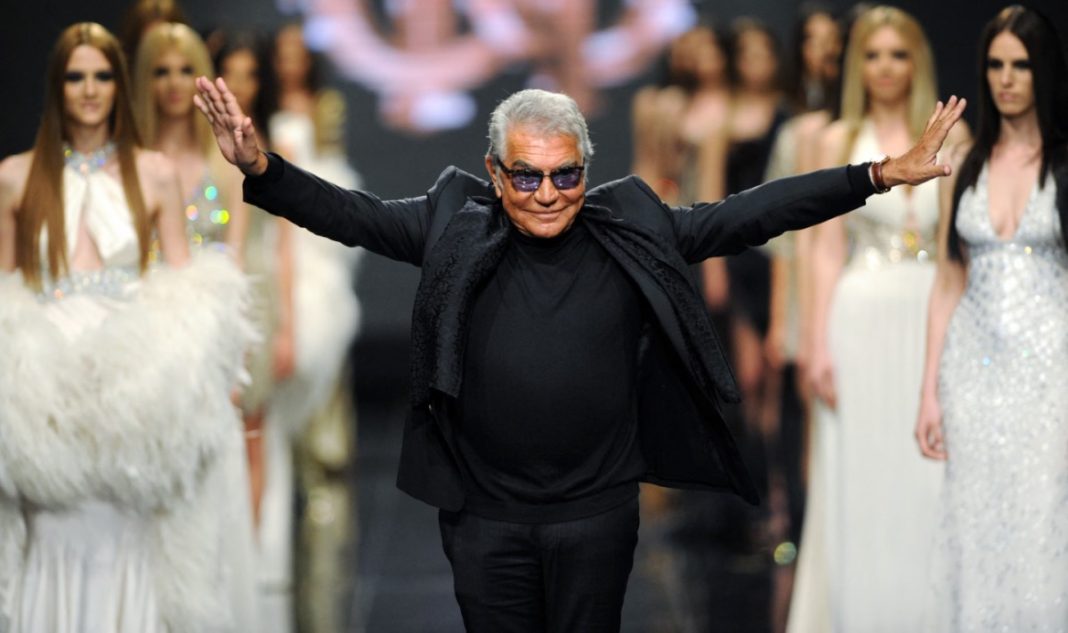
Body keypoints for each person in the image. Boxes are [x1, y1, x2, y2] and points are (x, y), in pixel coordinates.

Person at [194, 73, 965, 631]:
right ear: (495, 174)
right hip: (485, 519)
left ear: (586, 172)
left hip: (595, 515)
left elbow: (751, 214)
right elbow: (349, 214)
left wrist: (875, 176)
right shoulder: (452, 222)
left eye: (565, 174)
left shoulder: (626, 227)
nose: (546, 192)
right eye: (525, 175)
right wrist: (263, 171)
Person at [0, 22, 251, 633]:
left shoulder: (155, 172)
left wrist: (189, 382)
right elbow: (5, 291)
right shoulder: (14, 176)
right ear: (57, 85)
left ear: (118, 84)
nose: (90, 89)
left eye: (103, 75)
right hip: (44, 385)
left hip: (132, 382)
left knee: (130, 517)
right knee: (53, 515)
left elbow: (187, 290)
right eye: (76, 76)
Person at [799, 6, 971, 632]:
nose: (886, 67)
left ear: (917, 61)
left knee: (925, 475)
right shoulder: (836, 140)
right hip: (858, 320)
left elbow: (959, 255)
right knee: (860, 474)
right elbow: (819, 251)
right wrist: (814, 343)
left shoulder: (958, 138)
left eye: (899, 54)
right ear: (858, 65)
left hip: (929, 320)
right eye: (873, 54)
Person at [915, 5, 1068, 630]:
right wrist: (928, 391)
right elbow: (949, 278)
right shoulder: (966, 163)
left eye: (1021, 65)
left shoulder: (1064, 164)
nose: (1006, 78)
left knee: (1044, 518)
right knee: (976, 519)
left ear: (1044, 71)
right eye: (996, 65)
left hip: (1053, 371)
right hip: (972, 370)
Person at [132, 21, 259, 632]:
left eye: (187, 69)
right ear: (144, 79)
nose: (176, 83)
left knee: (209, 509)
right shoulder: (127, 167)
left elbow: (233, 274)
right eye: (161, 70)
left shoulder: (226, 164)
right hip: (137, 357)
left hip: (206, 362)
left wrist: (227, 363)